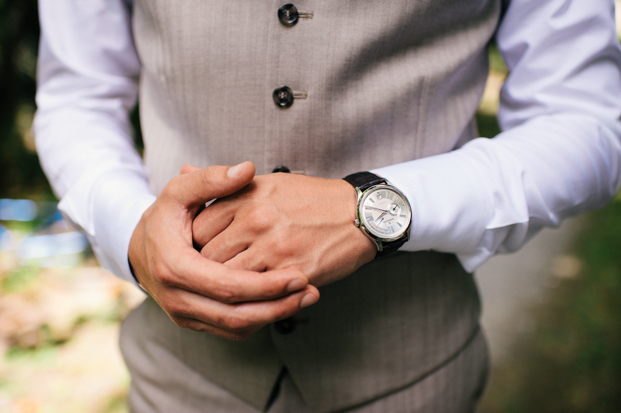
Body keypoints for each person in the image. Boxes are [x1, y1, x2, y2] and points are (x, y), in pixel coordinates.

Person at [34, 0, 621, 412]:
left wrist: (372, 209)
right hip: (176, 381)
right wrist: (130, 230)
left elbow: (585, 122)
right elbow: (77, 95)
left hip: (417, 380)